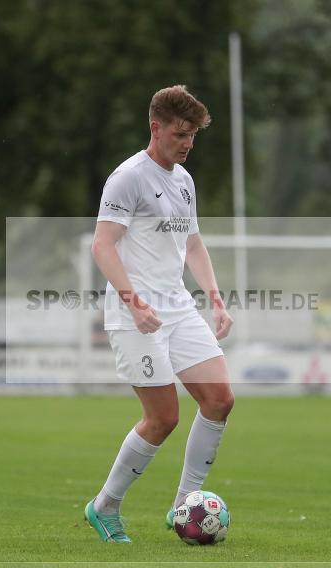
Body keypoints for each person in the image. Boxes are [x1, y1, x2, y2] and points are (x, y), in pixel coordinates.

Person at [85, 85, 235, 543]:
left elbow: (192, 243)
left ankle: (182, 506)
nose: (188, 142)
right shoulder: (128, 177)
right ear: (156, 127)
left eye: (193, 135)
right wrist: (134, 300)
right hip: (136, 314)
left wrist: (214, 296)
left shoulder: (184, 181)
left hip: (176, 306)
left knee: (219, 399)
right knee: (163, 418)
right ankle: (105, 506)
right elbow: (102, 245)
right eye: (180, 133)